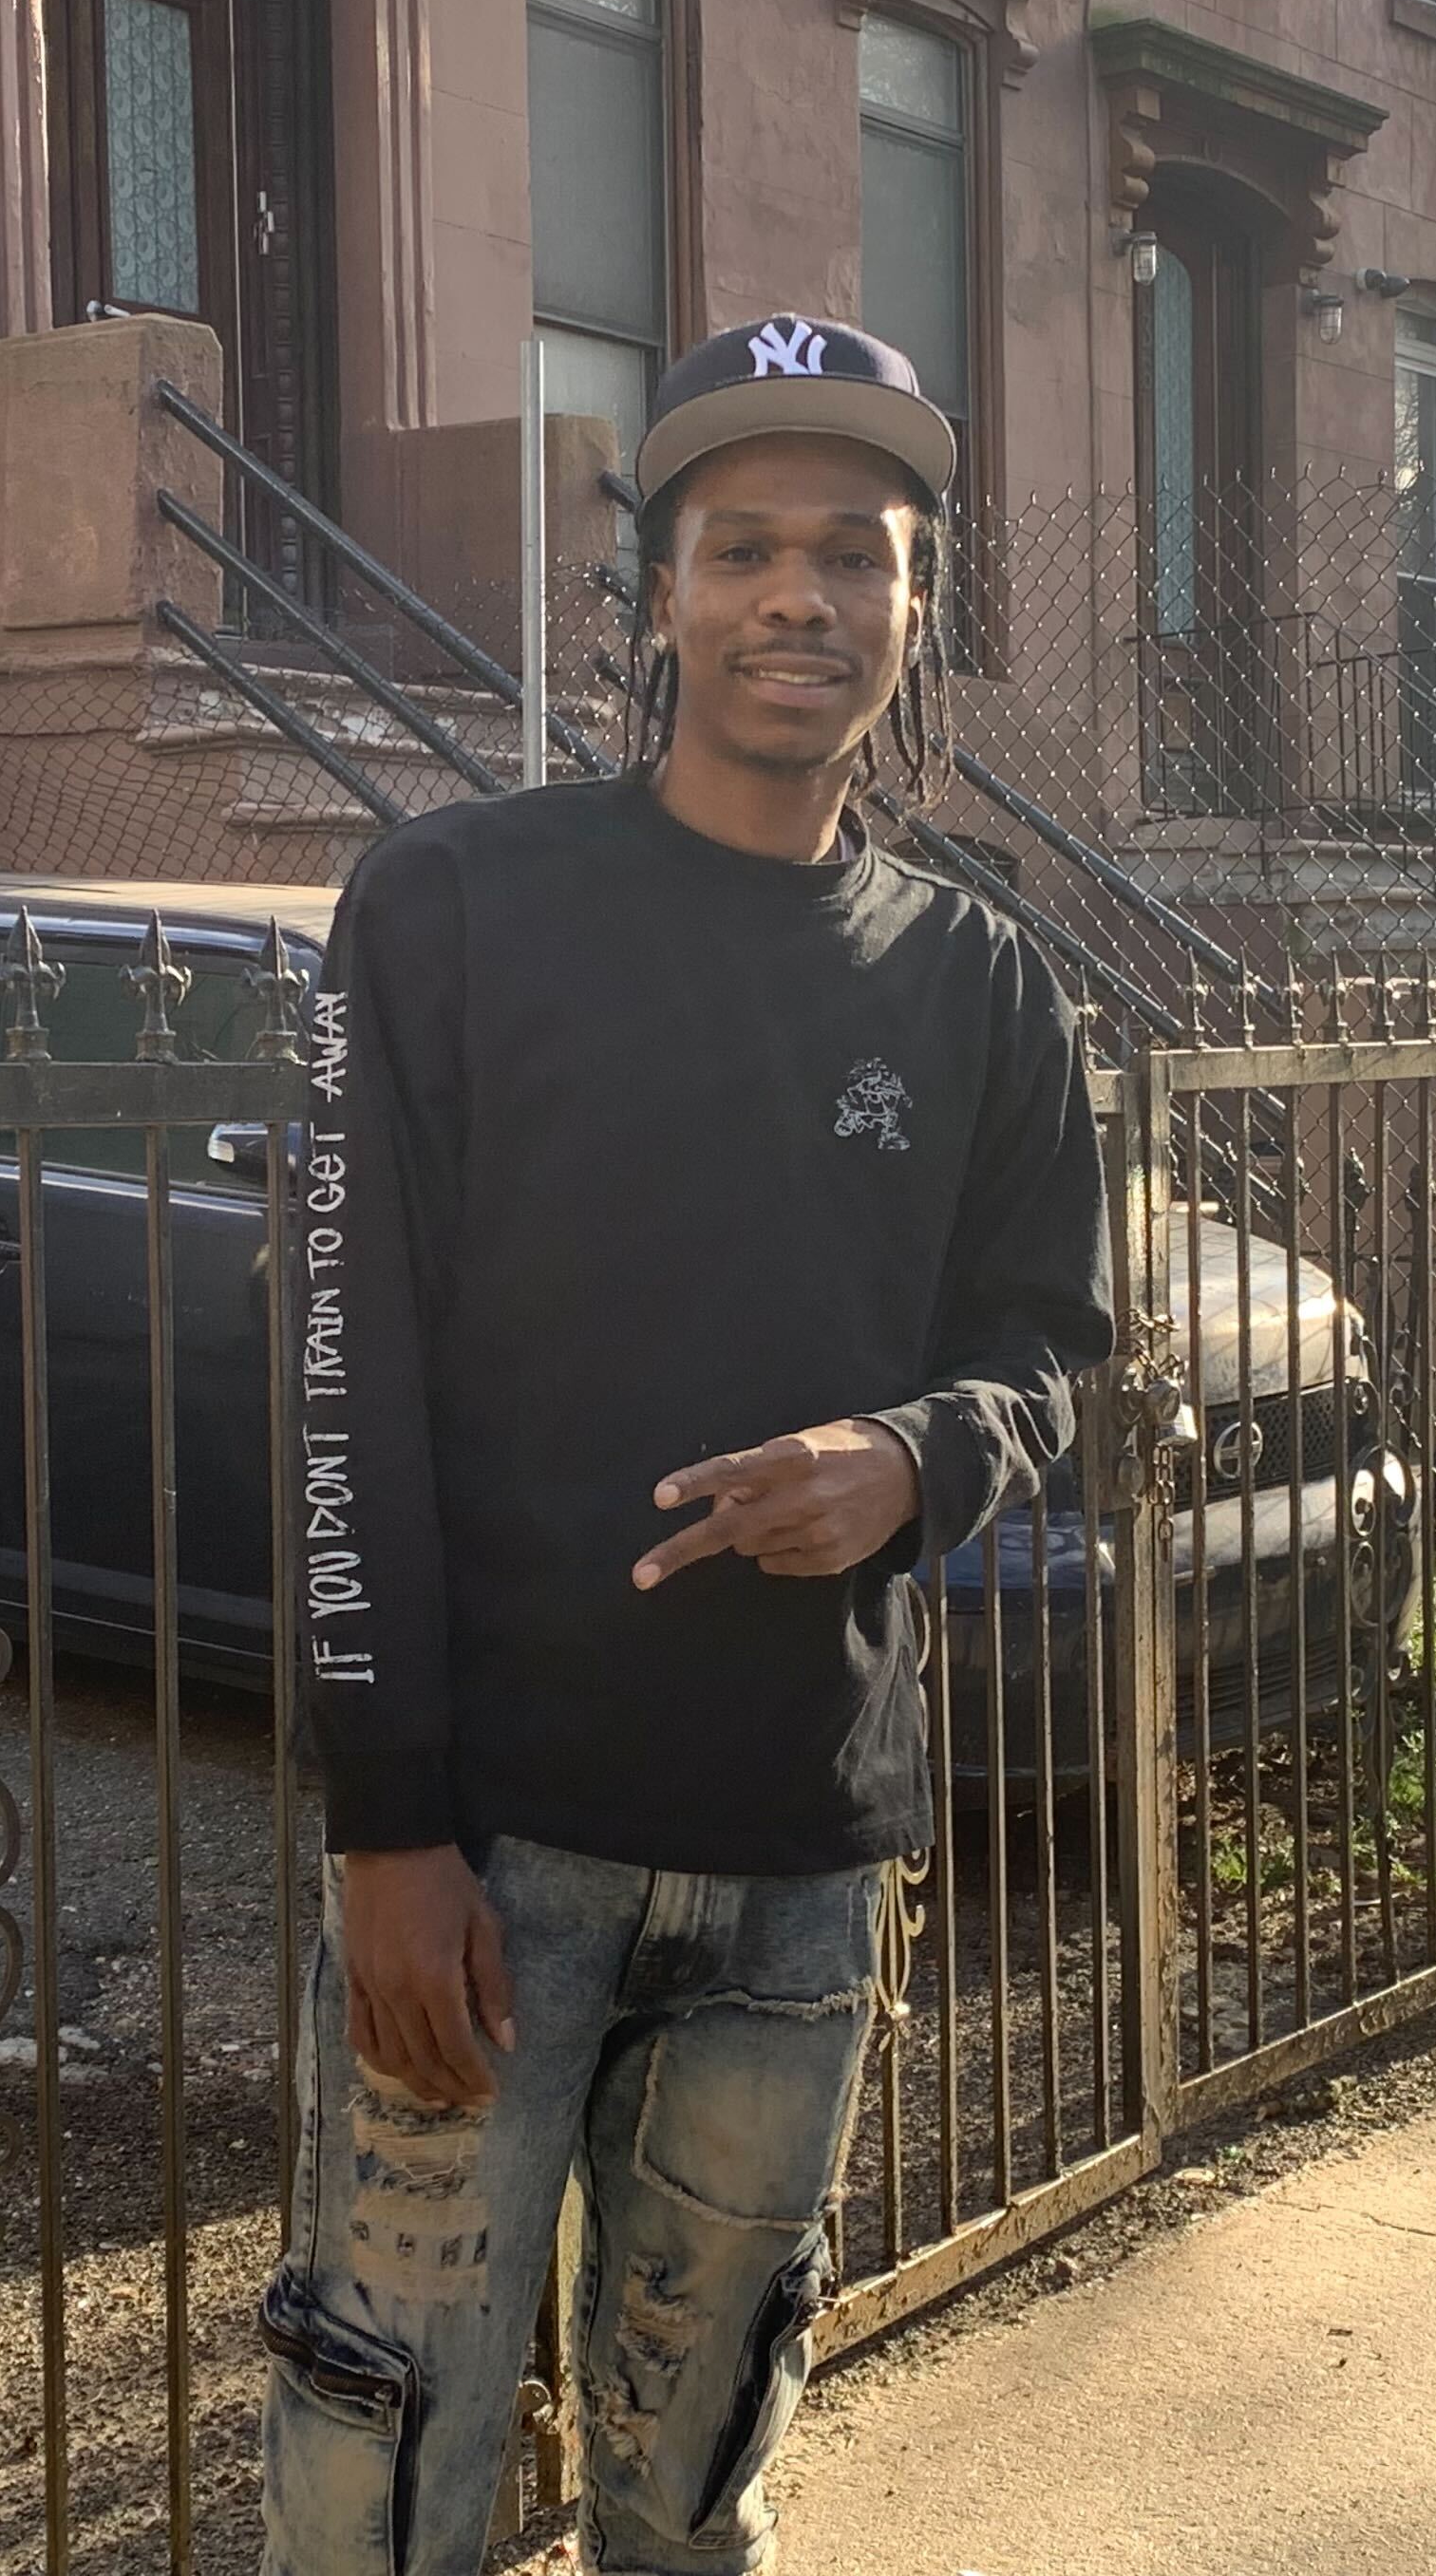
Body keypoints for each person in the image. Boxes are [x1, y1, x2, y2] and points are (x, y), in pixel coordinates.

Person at [257, 316, 1115, 2575]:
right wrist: (386, 1833)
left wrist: (916, 1461)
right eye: (745, 550)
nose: (799, 600)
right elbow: (344, 1384)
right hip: (493, 1860)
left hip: (798, 1872)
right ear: (658, 597)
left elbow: (1051, 1350)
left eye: (859, 554)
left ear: (917, 611)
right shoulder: (452, 914)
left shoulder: (985, 990)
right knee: (380, 2485)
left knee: (697, 2492)